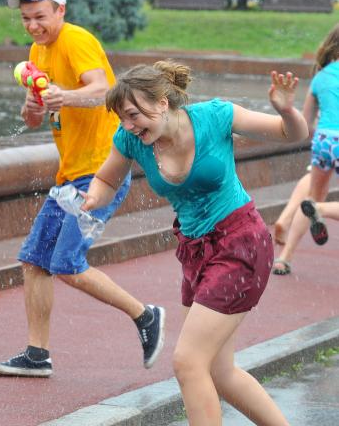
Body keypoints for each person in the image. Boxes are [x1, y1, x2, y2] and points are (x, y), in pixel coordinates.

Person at [80, 60, 308, 425]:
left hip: (241, 244)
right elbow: (106, 180)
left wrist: (286, 110)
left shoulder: (215, 116)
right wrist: (92, 198)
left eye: (134, 114)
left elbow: (291, 133)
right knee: (219, 371)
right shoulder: (130, 140)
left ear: (162, 103)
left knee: (188, 361)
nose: (129, 125)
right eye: (123, 118)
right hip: (196, 252)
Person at [0, 0, 165, 378]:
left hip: (102, 172)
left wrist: (64, 95)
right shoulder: (37, 50)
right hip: (70, 176)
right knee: (34, 261)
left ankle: (146, 316)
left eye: (40, 16)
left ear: (60, 11)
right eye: (26, 18)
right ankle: (37, 355)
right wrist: (33, 105)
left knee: (66, 263)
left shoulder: (76, 39)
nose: (33, 25)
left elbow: (105, 90)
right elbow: (32, 117)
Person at [273, 24, 339, 275]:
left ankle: (284, 258)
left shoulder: (320, 77)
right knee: (317, 203)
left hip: (323, 142)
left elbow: (306, 123)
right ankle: (320, 210)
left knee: (312, 195)